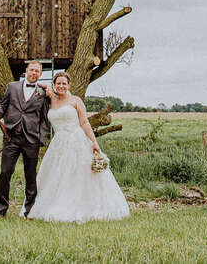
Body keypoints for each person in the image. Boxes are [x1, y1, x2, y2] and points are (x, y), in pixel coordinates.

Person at [27, 71, 130, 223]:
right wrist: (47, 88)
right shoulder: (51, 99)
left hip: (76, 140)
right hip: (58, 144)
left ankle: (82, 206)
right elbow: (37, 85)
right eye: (58, 83)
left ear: (69, 85)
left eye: (64, 83)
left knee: (77, 175)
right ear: (54, 85)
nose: (61, 86)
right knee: (55, 176)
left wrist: (94, 142)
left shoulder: (76, 100)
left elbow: (84, 123)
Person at [0, 60, 50, 218]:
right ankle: (1, 211)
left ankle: (29, 211)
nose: (34, 73)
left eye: (37, 71)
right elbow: (3, 105)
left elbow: (45, 119)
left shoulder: (44, 93)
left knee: (30, 176)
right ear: (26, 70)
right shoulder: (12, 86)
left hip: (32, 140)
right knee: (5, 173)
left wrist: (41, 139)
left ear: (40, 74)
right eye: (32, 70)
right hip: (11, 137)